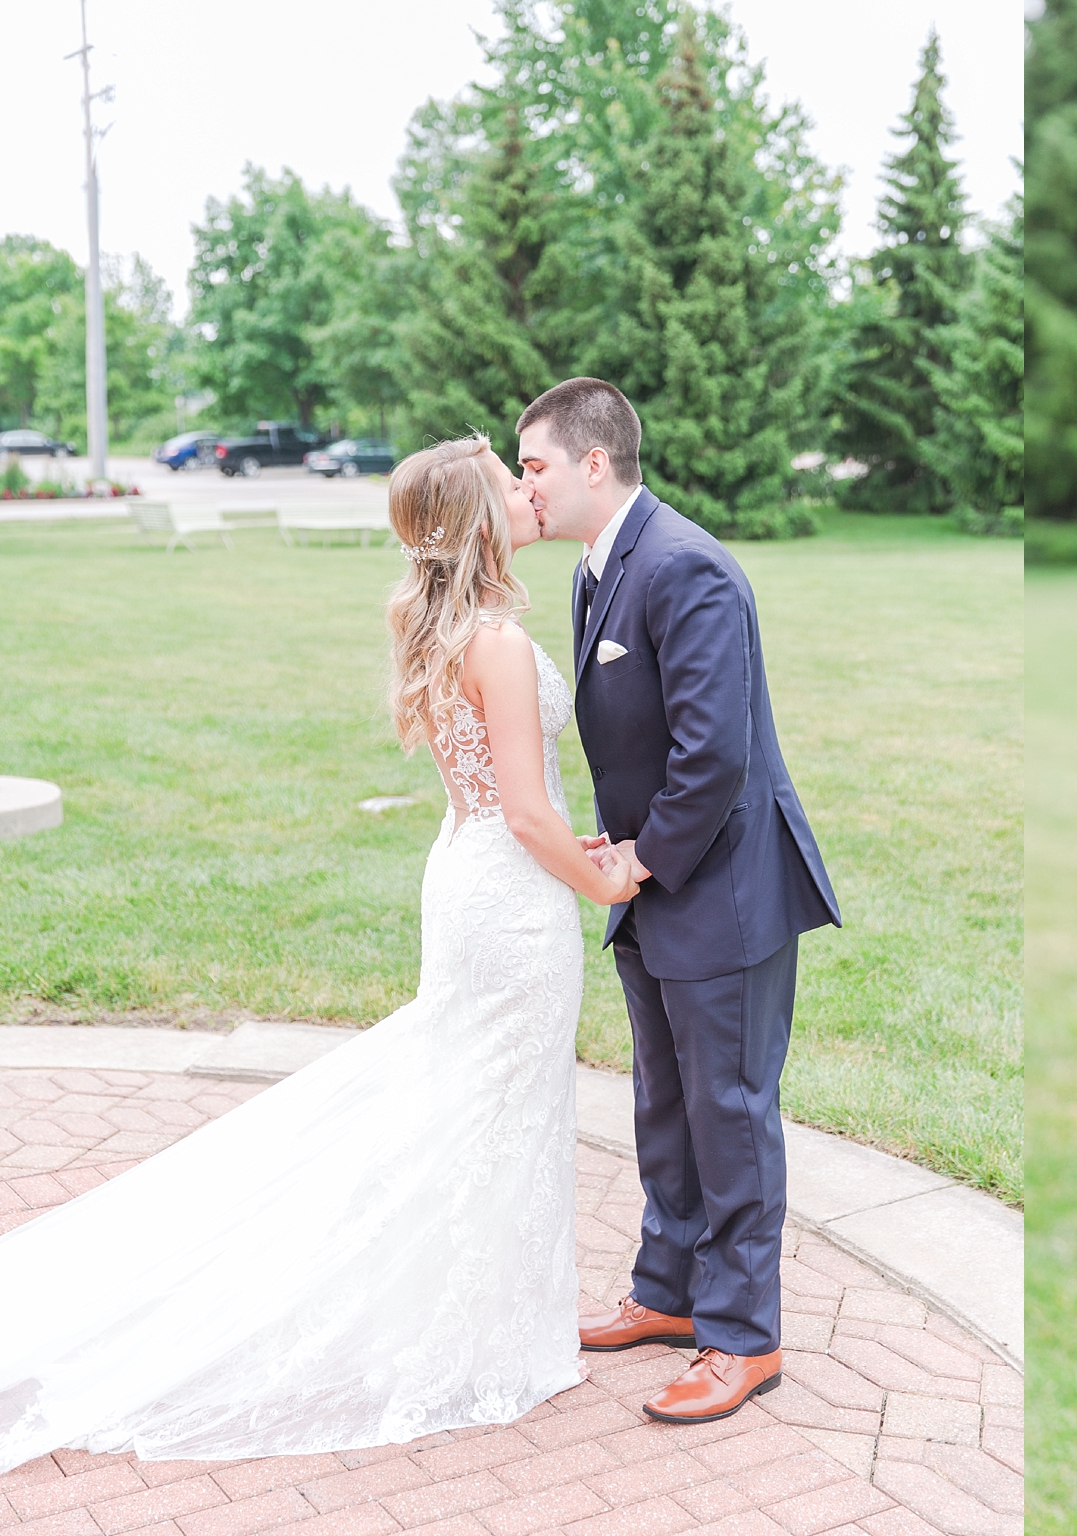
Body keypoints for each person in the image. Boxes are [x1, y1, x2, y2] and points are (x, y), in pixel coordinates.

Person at [0, 435, 638, 1471]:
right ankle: (484, 1336)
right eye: (506, 483)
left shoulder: (428, 622)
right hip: (511, 897)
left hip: (464, 874)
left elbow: (504, 800)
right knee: (501, 1101)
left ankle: (490, 1315)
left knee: (475, 1097)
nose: (528, 494)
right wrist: (603, 876)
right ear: (480, 520)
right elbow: (526, 813)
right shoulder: (499, 644)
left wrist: (570, 841)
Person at [514, 378, 841, 1427]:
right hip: (652, 887)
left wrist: (633, 864)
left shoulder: (687, 565)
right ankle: (666, 1293)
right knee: (664, 1105)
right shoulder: (592, 571)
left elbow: (713, 758)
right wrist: (623, 858)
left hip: (724, 891)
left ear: (593, 464)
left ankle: (743, 1337)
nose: (525, 487)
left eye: (535, 467)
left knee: (729, 1115)